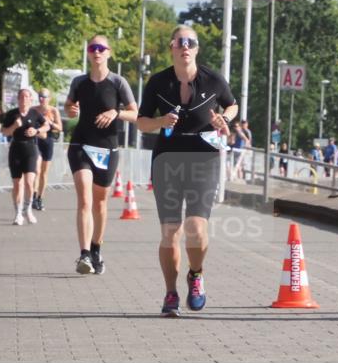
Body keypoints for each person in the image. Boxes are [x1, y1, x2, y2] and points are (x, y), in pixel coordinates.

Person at [137, 26, 238, 317]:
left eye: (190, 42)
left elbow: (231, 105)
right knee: (170, 232)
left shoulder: (213, 79)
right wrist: (159, 122)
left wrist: (223, 119)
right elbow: (142, 122)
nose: (185, 46)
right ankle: (170, 293)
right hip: (167, 161)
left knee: (195, 228)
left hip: (203, 159)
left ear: (196, 48)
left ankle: (196, 274)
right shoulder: (158, 82)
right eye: (180, 42)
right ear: (171, 47)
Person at [65, 35, 138, 275]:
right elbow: (69, 106)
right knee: (84, 199)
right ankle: (84, 254)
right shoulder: (79, 82)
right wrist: (71, 109)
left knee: (100, 202)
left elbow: (135, 113)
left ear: (109, 53)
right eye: (92, 48)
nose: (96, 52)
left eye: (101, 48)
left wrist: (115, 113)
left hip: (107, 148)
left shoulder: (118, 83)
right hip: (81, 145)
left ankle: (96, 248)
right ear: (88, 53)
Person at [0, 88, 50, 226]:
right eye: (21, 97)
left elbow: (46, 126)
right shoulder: (12, 114)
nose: (24, 99)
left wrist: (36, 130)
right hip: (16, 149)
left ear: (30, 99)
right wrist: (14, 127)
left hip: (30, 149)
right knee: (17, 183)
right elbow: (4, 132)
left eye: (26, 97)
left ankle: (28, 209)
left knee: (29, 181)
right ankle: (18, 213)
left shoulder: (35, 113)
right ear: (18, 99)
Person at [32, 88, 63, 211]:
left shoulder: (53, 110)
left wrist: (51, 123)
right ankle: (33, 197)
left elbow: (60, 128)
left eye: (44, 96)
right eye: (40, 96)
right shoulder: (34, 110)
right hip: (36, 140)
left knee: (44, 173)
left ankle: (40, 198)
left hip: (48, 141)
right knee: (37, 170)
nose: (41, 99)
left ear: (49, 98)